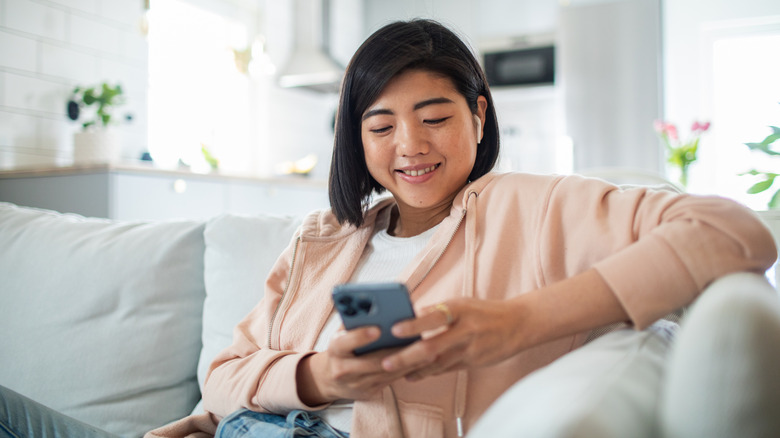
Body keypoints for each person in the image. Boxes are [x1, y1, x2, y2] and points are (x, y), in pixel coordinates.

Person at [1, 18, 776, 438]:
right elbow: (226, 374)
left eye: (435, 116)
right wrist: (319, 377)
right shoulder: (322, 241)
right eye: (380, 125)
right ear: (357, 137)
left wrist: (517, 322)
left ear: (478, 116)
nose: (409, 145)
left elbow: (736, 231)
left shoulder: (536, 207)